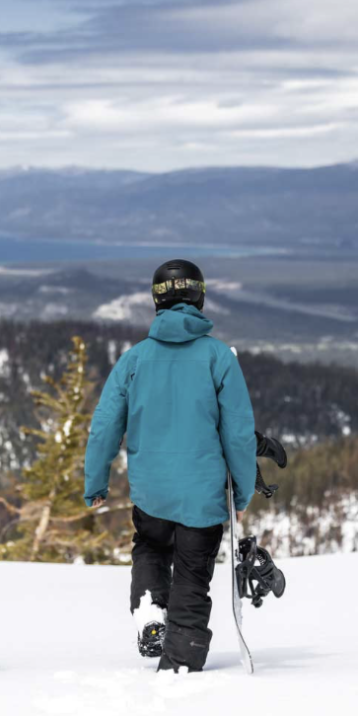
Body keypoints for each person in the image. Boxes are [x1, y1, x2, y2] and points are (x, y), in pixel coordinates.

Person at [84, 259, 257, 673]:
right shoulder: (218, 357)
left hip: (151, 491)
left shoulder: (135, 360)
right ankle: (181, 657)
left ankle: (149, 611)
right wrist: (244, 490)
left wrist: (96, 482)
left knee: (151, 549)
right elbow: (238, 432)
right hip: (202, 495)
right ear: (199, 296)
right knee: (193, 574)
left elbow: (104, 426)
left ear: (156, 300)